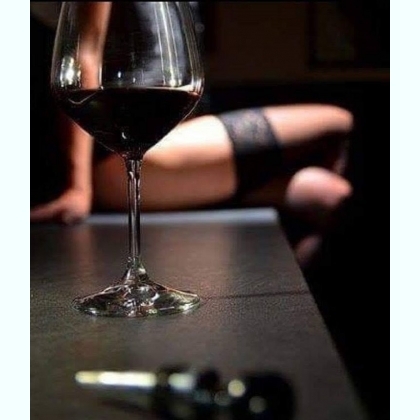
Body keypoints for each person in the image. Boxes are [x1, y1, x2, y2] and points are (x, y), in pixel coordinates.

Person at [30, 2, 353, 269]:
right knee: (338, 120)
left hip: (175, 144)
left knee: (327, 195)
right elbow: (83, 56)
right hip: (123, 154)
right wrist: (78, 188)